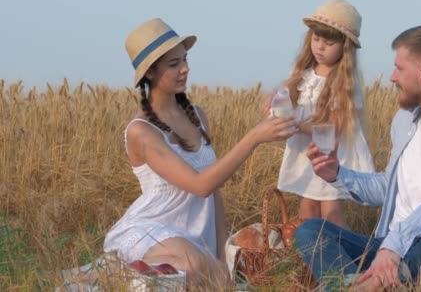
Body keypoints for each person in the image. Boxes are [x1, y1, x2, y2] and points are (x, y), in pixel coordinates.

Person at [295, 24, 421, 291]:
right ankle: (363, 286)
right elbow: (391, 187)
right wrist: (337, 174)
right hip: (392, 252)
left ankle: (367, 287)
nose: (392, 77)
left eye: (399, 68)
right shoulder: (405, 120)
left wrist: (393, 246)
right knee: (311, 231)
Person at [103, 18, 296, 288]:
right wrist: (254, 137)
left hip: (195, 238)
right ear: (149, 73)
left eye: (185, 60)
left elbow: (214, 191)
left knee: (212, 271)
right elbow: (200, 185)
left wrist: (220, 254)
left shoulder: (197, 117)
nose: (185, 69)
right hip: (153, 231)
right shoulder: (141, 132)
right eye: (174, 64)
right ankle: (126, 270)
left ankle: (150, 275)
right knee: (195, 266)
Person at [269, 0, 375, 228]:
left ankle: (342, 259)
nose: (319, 47)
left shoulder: (343, 81)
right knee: (307, 211)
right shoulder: (303, 73)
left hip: (329, 153)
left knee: (331, 212)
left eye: (328, 43)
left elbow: (334, 125)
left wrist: (298, 125)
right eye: (316, 39)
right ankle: (309, 258)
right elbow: (281, 100)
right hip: (306, 153)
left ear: (345, 47)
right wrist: (275, 105)